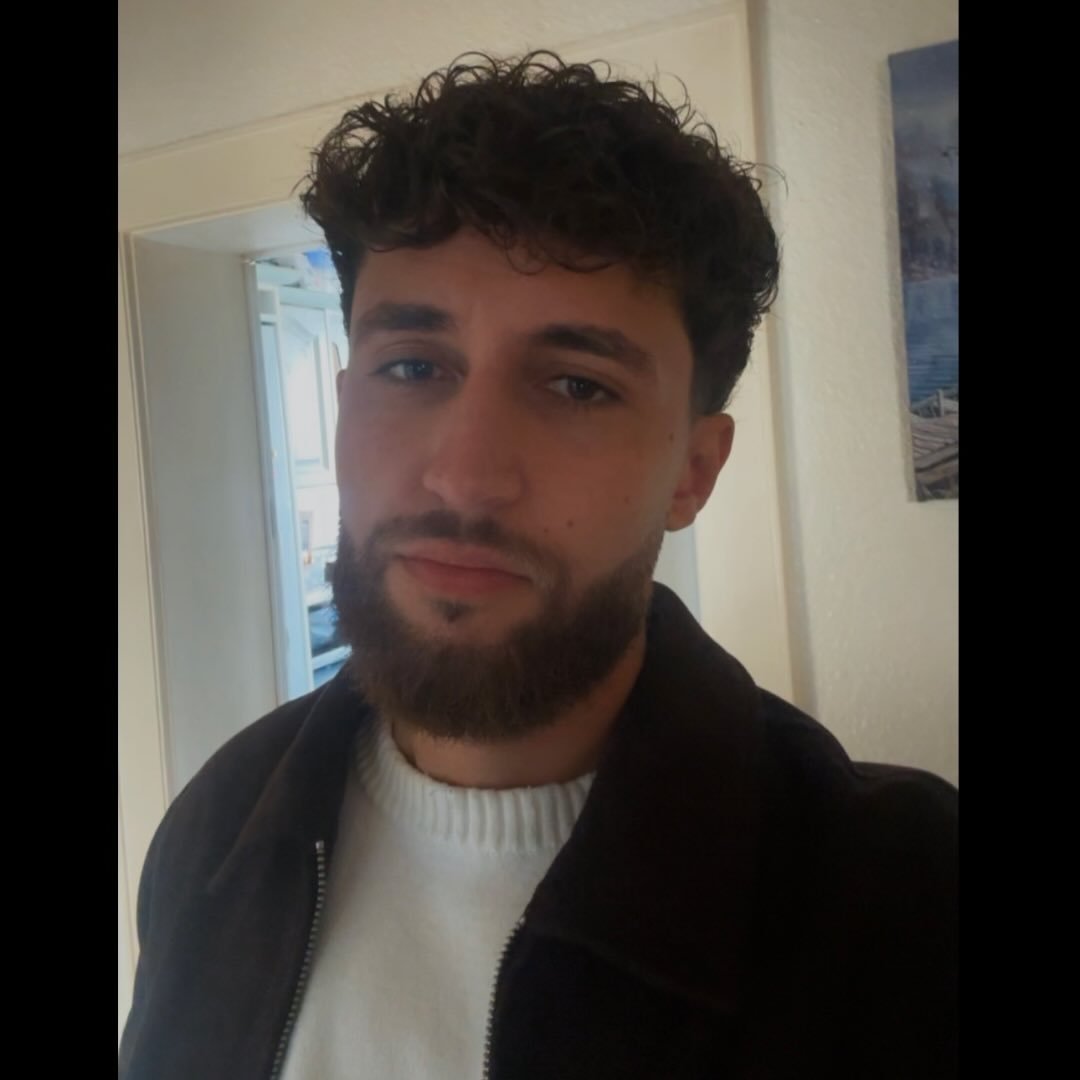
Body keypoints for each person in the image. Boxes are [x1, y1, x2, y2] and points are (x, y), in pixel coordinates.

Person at [119, 51, 957, 1080]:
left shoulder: (903, 903)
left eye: (577, 386)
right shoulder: (217, 830)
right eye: (412, 366)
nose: (464, 477)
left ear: (693, 472)